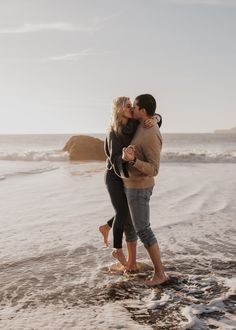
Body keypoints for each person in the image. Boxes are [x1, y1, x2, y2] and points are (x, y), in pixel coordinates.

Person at [102, 97, 161, 270]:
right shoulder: (113, 132)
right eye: (128, 106)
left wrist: (156, 118)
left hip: (126, 176)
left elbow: (149, 116)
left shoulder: (134, 123)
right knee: (123, 212)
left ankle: (107, 227)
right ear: (120, 110)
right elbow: (114, 160)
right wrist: (126, 158)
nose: (132, 108)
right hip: (114, 175)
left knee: (127, 213)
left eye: (132, 106)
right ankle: (117, 249)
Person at [122, 94, 167, 285]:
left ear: (142, 110)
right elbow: (156, 116)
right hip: (129, 185)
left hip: (140, 188)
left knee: (144, 230)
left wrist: (133, 161)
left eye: (135, 107)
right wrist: (157, 117)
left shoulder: (151, 133)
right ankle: (131, 264)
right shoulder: (142, 121)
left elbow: (154, 169)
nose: (132, 110)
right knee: (130, 226)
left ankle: (160, 274)